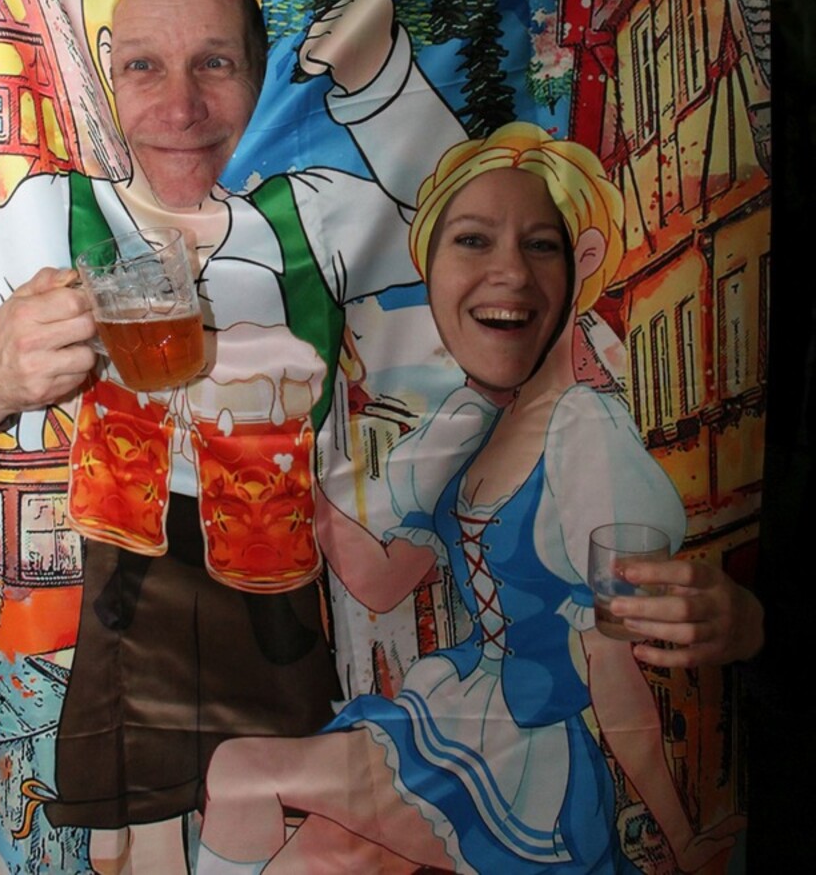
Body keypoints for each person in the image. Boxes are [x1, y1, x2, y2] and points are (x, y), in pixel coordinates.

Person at [0, 0, 467, 873]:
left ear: (259, 72)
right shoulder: (24, 224)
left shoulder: (312, 224)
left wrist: (380, 82)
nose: (180, 108)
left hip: (264, 630)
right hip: (27, 649)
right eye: (143, 67)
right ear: (100, 65)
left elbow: (468, 215)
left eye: (214, 63)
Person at [197, 126, 762, 875]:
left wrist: (680, 836)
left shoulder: (584, 432)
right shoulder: (472, 422)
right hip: (455, 714)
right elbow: (383, 582)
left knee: (241, 772)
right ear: (430, 270)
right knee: (315, 856)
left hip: (524, 759)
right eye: (471, 242)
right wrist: (298, 476)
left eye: (541, 245)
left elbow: (611, 660)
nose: (510, 275)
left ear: (583, 261)